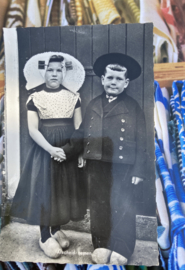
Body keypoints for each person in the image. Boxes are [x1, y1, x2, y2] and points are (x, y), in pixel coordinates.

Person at [62, 53, 147, 265]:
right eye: (110, 78)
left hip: (123, 164)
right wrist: (67, 150)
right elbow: (81, 133)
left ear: (126, 83)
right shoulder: (94, 104)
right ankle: (100, 243)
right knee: (99, 204)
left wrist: (138, 170)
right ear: (102, 79)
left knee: (122, 204)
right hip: (96, 162)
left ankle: (122, 246)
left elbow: (143, 140)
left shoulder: (133, 107)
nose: (113, 82)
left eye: (119, 79)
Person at [10, 54, 87, 259]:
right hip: (45, 150)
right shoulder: (35, 98)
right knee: (46, 190)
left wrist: (77, 151)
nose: (54, 74)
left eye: (59, 70)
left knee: (62, 189)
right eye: (50, 70)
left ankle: (56, 229)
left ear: (64, 73)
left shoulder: (73, 97)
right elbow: (33, 130)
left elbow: (79, 128)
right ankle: (44, 236)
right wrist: (51, 149)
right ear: (44, 73)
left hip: (67, 150)